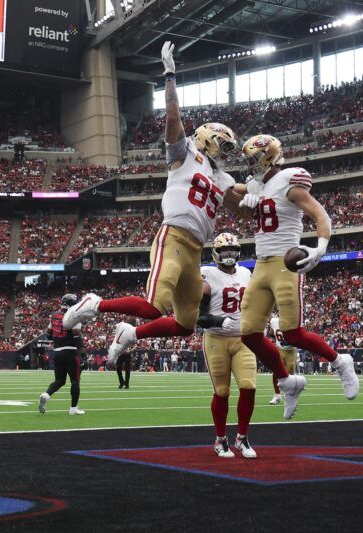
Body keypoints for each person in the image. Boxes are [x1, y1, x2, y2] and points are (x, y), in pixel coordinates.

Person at [63, 41, 243, 366]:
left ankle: (131, 334)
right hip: (173, 237)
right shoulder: (185, 151)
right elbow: (172, 117)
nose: (226, 154)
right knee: (154, 306)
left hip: (195, 250)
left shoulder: (222, 178)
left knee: (185, 324)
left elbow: (241, 203)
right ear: (208, 139)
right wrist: (170, 75)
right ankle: (94, 304)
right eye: (224, 146)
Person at [234, 134, 359, 420]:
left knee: (292, 334)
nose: (250, 165)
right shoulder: (256, 184)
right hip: (260, 265)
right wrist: (238, 198)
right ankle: (288, 382)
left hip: (284, 262)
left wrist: (321, 246)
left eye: (253, 159)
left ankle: (341, 362)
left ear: (268, 156)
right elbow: (233, 188)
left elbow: (320, 214)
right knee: (249, 335)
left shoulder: (289, 181)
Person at [198, 233, 257, 458]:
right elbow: (197, 316)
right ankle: (220, 439)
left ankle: (242, 438)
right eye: (225, 252)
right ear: (216, 253)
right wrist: (218, 320)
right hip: (216, 338)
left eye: (232, 251)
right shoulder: (207, 274)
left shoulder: (246, 273)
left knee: (249, 386)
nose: (229, 255)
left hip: (243, 337)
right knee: (222, 392)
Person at [38, 294, 84, 415]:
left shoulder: (54, 315)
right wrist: (82, 353)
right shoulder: (74, 315)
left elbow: (48, 334)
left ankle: (46, 394)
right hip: (70, 352)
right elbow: (76, 335)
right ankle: (73, 409)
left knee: (59, 380)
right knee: (75, 381)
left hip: (57, 352)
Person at [267, 313, 298, 405]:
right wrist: (271, 342)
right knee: (276, 372)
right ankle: (277, 396)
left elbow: (298, 338)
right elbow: (272, 335)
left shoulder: (294, 321)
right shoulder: (274, 321)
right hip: (279, 349)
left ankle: (289, 397)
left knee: (290, 375)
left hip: (291, 351)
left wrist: (289, 342)